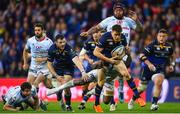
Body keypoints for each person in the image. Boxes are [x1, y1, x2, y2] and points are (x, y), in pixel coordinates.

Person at [80, 2, 143, 103]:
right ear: (114, 11)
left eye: (120, 10)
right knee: (105, 92)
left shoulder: (129, 21)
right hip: (108, 52)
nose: (118, 12)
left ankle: (121, 87)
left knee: (124, 69)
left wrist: (137, 20)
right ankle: (103, 89)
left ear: (123, 11)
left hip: (123, 50)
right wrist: (88, 32)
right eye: (116, 10)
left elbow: (140, 30)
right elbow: (97, 28)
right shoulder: (109, 20)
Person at [93, 24, 145, 112]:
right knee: (101, 82)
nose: (117, 37)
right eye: (115, 35)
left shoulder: (123, 37)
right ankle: (96, 104)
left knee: (126, 74)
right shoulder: (105, 37)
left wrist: (126, 51)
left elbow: (126, 49)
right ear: (112, 32)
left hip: (117, 60)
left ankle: (138, 97)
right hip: (105, 61)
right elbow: (96, 52)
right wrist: (109, 60)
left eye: (119, 35)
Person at [128, 29, 174, 111]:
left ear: (166, 37)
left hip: (159, 69)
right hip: (147, 69)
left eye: (163, 36)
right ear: (157, 36)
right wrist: (149, 64)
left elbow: (172, 56)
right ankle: (132, 100)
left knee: (159, 81)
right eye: (160, 36)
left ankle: (154, 104)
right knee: (142, 88)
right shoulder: (152, 45)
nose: (161, 38)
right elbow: (141, 55)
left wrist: (171, 65)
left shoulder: (169, 47)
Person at [46, 34, 88, 111]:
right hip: (57, 68)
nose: (63, 44)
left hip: (68, 67)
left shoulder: (68, 48)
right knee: (59, 90)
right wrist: (56, 75)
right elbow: (49, 64)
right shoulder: (51, 49)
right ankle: (59, 95)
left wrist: (83, 72)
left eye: (64, 42)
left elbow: (76, 59)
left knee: (66, 85)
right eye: (60, 42)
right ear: (56, 43)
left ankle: (68, 106)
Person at [23, 23, 53, 90]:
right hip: (33, 66)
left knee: (37, 84)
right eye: (35, 30)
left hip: (45, 67)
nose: (37, 32)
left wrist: (42, 59)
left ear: (42, 31)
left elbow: (53, 56)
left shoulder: (49, 42)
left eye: (39, 30)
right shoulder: (30, 41)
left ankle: (39, 100)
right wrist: (25, 63)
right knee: (28, 85)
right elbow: (25, 51)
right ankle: (39, 100)